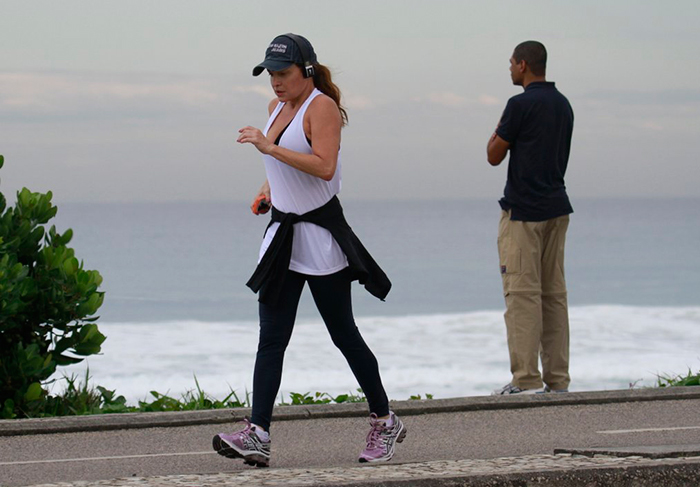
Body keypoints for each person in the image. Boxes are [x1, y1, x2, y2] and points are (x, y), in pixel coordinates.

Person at [212, 33, 406, 467]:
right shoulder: (275, 109)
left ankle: (385, 421)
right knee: (272, 339)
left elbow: (324, 167)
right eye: (270, 74)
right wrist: (267, 189)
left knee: (344, 335)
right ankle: (258, 433)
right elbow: (282, 165)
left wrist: (268, 146)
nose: (276, 82)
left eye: (283, 73)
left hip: (320, 239)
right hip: (283, 237)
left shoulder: (323, 107)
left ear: (307, 71)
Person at [486, 40, 574, 395]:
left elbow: (493, 154)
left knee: (522, 295)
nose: (509, 69)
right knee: (553, 296)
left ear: (523, 65)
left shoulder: (519, 104)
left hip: (523, 212)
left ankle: (525, 380)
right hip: (557, 207)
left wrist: (499, 127)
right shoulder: (563, 104)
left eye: (511, 63)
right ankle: (558, 380)